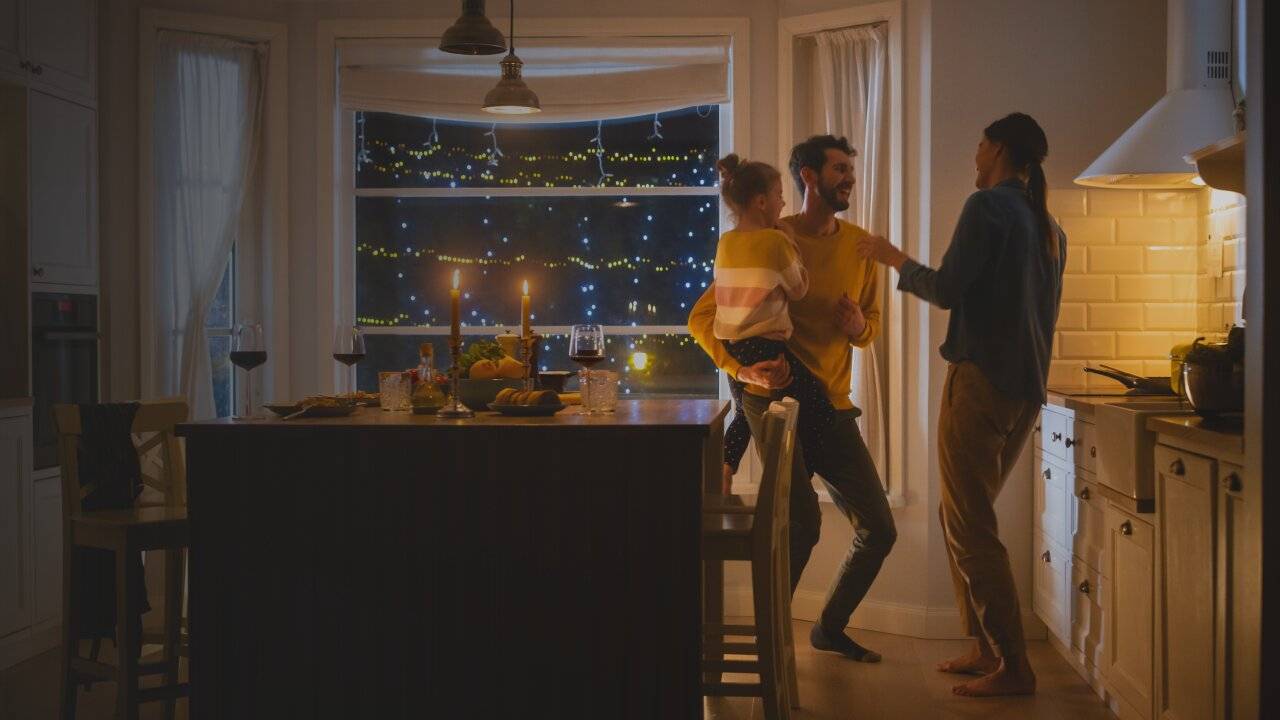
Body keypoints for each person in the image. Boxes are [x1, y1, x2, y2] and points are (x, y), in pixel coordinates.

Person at [856, 112, 1066, 697]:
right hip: (1025, 393)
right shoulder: (1049, 226)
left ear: (998, 148)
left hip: (980, 386)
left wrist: (893, 258)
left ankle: (1014, 667)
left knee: (969, 525)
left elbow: (947, 289)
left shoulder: (989, 209)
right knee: (964, 519)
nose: (973, 154)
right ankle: (985, 648)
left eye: (978, 143)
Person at [690, 135, 895, 663]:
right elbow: (706, 318)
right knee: (802, 523)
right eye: (839, 168)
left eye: (851, 168)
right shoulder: (767, 240)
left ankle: (828, 626)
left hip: (832, 404)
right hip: (778, 404)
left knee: (879, 527)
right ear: (808, 177)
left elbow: (869, 325)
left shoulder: (859, 246)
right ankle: (770, 639)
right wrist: (740, 369)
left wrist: (858, 326)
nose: (849, 177)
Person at [710, 154, 836, 480]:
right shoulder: (776, 241)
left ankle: (725, 465)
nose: (783, 203)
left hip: (733, 347)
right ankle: (800, 476)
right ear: (762, 202)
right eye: (780, 195)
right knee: (819, 411)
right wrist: (791, 242)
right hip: (765, 348)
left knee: (743, 411)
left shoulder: (726, 242)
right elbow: (799, 289)